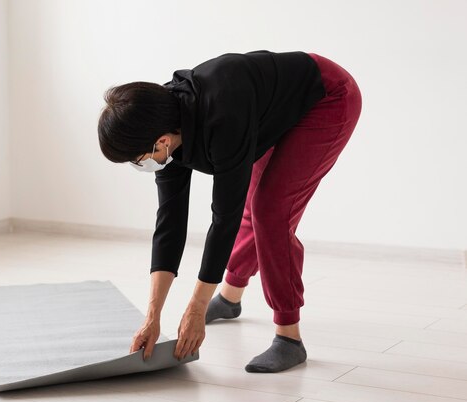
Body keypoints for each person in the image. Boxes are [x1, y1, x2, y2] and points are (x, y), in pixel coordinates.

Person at [97, 50, 362, 373]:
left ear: (161, 142)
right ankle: (230, 296)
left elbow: (224, 218)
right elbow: (170, 223)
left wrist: (196, 307)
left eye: (137, 159)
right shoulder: (161, 124)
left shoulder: (223, 117)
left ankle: (289, 336)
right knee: (255, 206)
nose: (141, 164)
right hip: (271, 109)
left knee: (270, 212)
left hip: (327, 97)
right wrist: (153, 316)